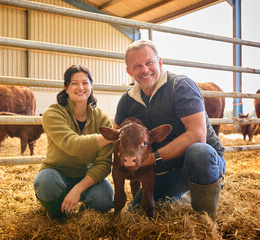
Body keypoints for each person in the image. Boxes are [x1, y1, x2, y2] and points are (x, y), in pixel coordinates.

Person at [114, 39, 226, 219]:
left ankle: (205, 219)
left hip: (198, 164)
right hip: (163, 173)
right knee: (135, 215)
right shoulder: (127, 100)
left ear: (159, 62)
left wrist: (153, 158)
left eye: (149, 62)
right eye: (137, 66)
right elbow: (114, 136)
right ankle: (184, 196)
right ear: (129, 71)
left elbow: (198, 136)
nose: (144, 69)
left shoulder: (180, 86)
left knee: (199, 152)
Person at [34, 64, 114, 220]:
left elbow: (104, 164)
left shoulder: (102, 119)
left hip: (86, 177)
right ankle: (59, 215)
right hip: (57, 174)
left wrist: (78, 189)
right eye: (74, 83)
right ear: (66, 87)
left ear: (91, 86)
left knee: (105, 197)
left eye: (85, 82)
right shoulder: (53, 113)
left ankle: (82, 214)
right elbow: (72, 145)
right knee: (45, 181)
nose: (80, 87)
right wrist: (110, 136)